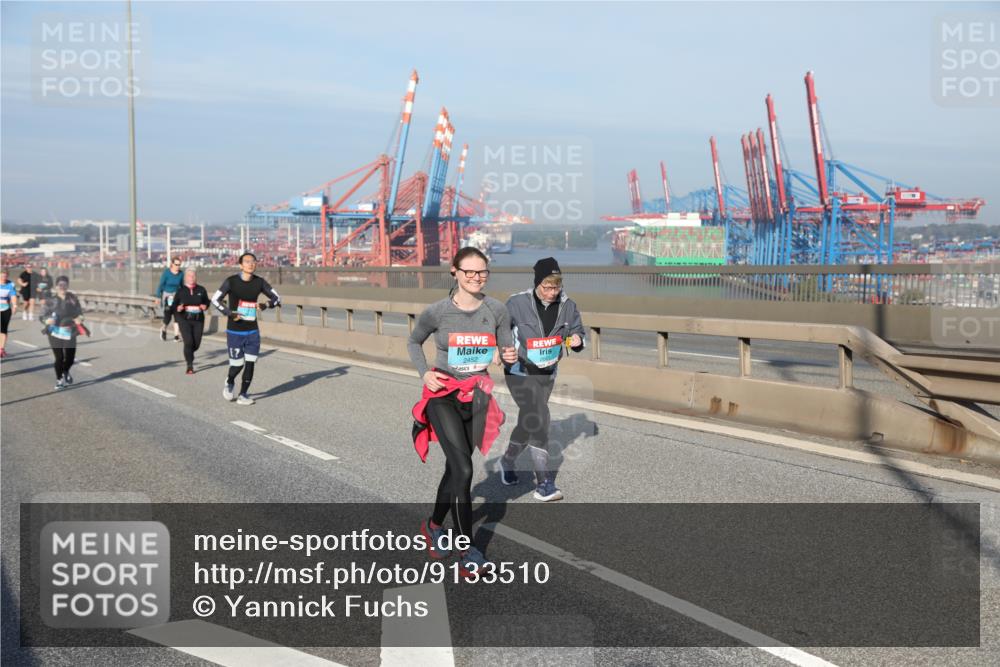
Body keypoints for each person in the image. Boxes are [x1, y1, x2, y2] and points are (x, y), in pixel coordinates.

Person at [408, 247, 517, 578]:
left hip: (478, 398)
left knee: (454, 471)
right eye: (469, 272)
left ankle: (433, 524)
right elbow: (414, 342)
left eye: (482, 272)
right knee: (465, 472)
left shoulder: (497, 310)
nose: (476, 277)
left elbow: (504, 350)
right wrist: (424, 372)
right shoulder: (437, 312)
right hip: (442, 396)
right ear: (454, 272)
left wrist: (507, 358)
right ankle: (469, 550)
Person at [497, 257, 586, 502]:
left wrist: (577, 340)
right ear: (537, 283)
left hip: (547, 374)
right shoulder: (516, 303)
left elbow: (577, 332)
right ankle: (544, 482)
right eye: (546, 287)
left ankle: (507, 461)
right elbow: (501, 331)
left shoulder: (569, 306)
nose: (551, 292)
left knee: (528, 421)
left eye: (556, 287)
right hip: (519, 372)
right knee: (540, 418)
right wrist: (502, 349)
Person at [211, 252, 281, 405]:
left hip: (252, 331)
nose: (251, 264)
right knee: (237, 365)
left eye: (253, 261)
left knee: (250, 362)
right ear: (241, 265)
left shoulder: (260, 282)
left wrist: (265, 305)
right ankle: (229, 382)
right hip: (235, 331)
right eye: (247, 261)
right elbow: (215, 300)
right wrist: (230, 313)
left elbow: (277, 298)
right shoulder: (231, 282)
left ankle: (243, 394)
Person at [42, 276, 89, 390]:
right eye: (60, 285)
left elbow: (79, 313)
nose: (62, 287)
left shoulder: (73, 299)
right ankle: (59, 380)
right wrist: (47, 320)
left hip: (69, 331)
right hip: (55, 332)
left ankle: (65, 371)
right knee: (59, 358)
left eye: (65, 285)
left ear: (67, 286)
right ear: (56, 287)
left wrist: (80, 318)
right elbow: (42, 315)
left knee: (70, 358)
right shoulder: (50, 300)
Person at [172, 268, 210, 374]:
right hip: (184, 319)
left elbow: (207, 302)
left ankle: (189, 353)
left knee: (196, 344)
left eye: (193, 276)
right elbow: (174, 305)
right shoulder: (181, 291)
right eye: (189, 276)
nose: (192, 278)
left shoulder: (201, 290)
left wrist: (205, 306)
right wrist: (178, 308)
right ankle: (189, 365)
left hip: (198, 319)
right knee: (188, 341)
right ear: (185, 278)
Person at [155, 257, 184, 342]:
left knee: (177, 315)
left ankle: (176, 336)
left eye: (179, 265)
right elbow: (160, 285)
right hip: (168, 296)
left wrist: (184, 295)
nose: (178, 266)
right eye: (176, 264)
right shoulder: (167, 273)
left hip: (176, 295)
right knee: (168, 314)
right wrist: (158, 296)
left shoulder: (181, 274)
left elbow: (182, 285)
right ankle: (163, 329)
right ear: (172, 264)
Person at [0, 269, 18, 358]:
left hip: (6, 309)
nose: (4, 277)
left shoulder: (10, 284)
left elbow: (13, 295)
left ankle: (1, 349)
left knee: (3, 329)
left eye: (5, 275)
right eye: (2, 275)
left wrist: (14, 306)